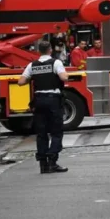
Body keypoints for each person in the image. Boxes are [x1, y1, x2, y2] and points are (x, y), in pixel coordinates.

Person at [18, 41, 70, 173]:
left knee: (41, 133)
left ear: (39, 51)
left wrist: (34, 77)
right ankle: (52, 161)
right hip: (53, 100)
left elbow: (21, 82)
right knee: (56, 132)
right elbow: (63, 78)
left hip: (39, 101)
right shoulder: (56, 63)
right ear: (50, 50)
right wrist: (67, 75)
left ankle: (43, 165)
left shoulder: (32, 65)